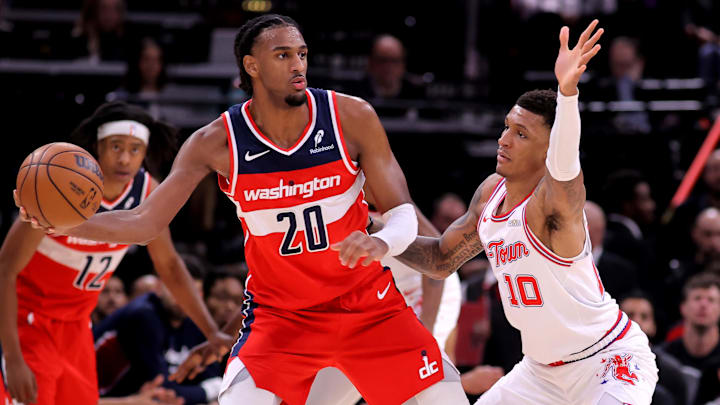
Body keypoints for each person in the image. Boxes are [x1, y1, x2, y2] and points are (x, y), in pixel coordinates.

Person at [18, 14, 468, 405]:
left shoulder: (350, 117)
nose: (298, 65)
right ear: (251, 65)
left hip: (370, 308)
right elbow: (143, 224)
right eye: (283, 56)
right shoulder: (215, 142)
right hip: (282, 318)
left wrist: (379, 240)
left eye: (302, 54)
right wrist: (67, 219)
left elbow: (406, 213)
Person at [394, 20, 659, 405]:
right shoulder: (490, 194)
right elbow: (438, 261)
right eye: (506, 128)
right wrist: (375, 232)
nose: (503, 140)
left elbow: (566, 165)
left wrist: (568, 94)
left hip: (607, 360)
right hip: (540, 373)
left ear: (548, 148)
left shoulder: (555, 206)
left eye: (521, 134)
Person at [0, 102, 230, 405]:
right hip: (30, 323)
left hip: (79, 327)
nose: (124, 158)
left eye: (135, 150)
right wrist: (13, 357)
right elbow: (5, 269)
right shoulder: (56, 186)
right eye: (116, 147)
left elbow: (170, 266)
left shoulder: (146, 193)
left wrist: (211, 332)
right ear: (97, 146)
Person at [94, 254, 222, 403]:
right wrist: (208, 390)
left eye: (194, 292)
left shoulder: (194, 320)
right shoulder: (143, 315)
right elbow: (161, 389)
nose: (186, 299)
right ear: (159, 287)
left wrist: (210, 389)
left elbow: (213, 376)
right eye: (179, 289)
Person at [661, 273, 720, 405]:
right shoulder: (665, 355)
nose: (703, 305)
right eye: (697, 298)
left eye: (711, 300)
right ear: (683, 307)